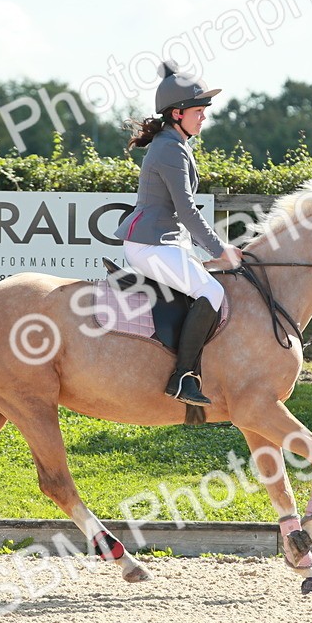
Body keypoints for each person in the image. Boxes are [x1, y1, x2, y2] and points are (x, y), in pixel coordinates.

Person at [114, 62, 244, 407]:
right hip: (149, 244)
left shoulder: (176, 143)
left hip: (162, 240)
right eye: (198, 111)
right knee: (211, 290)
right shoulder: (170, 148)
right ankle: (182, 377)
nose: (204, 117)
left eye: (203, 111)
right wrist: (219, 248)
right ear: (177, 113)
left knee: (204, 286)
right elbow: (186, 210)